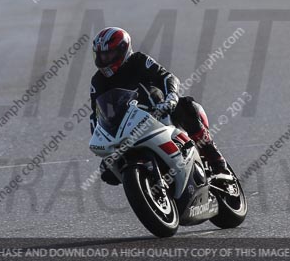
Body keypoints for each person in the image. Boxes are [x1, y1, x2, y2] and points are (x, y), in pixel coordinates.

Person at [90, 27, 228, 185]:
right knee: (107, 172)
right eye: (101, 55)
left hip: (159, 111)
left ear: (123, 49)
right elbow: (96, 114)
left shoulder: (138, 60)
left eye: (109, 54)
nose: (104, 59)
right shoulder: (98, 81)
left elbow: (167, 76)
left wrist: (171, 97)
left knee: (186, 107)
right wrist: (101, 140)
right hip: (128, 126)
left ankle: (218, 163)